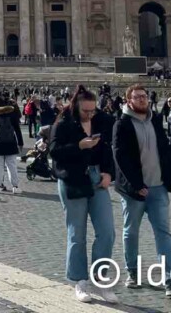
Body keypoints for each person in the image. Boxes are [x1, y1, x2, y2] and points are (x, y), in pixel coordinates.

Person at [112, 84, 171, 297]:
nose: (142, 100)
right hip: (134, 190)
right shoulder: (121, 125)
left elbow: (166, 152)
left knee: (164, 234)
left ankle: (170, 280)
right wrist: (135, 185)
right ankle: (131, 272)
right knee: (131, 232)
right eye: (137, 97)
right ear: (128, 101)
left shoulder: (156, 120)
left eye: (144, 96)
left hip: (158, 187)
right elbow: (120, 158)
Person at [48, 87, 117, 304]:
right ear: (76, 106)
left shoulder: (101, 121)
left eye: (92, 110)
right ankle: (80, 280)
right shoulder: (63, 123)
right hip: (72, 178)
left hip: (97, 176)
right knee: (77, 234)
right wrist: (78, 145)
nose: (90, 114)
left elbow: (107, 149)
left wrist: (109, 173)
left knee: (107, 232)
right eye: (86, 111)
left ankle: (100, 277)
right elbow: (54, 151)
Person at [0, 96, 23, 195]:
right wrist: (20, 143)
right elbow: (17, 129)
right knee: (12, 166)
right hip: (11, 143)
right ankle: (15, 186)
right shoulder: (12, 113)